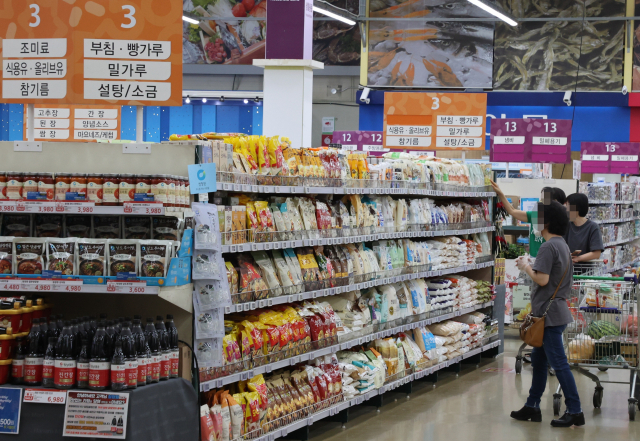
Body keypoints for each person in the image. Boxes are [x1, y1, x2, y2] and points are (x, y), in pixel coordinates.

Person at [510, 201, 584, 428]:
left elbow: (542, 279)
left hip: (548, 316)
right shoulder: (562, 245)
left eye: (539, 218)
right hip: (555, 312)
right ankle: (532, 405)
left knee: (559, 363)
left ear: (548, 222)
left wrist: (525, 266)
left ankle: (575, 410)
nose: (535, 222)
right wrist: (531, 264)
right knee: (540, 361)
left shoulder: (547, 247)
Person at [490, 180, 566, 257]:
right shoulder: (535, 215)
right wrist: (500, 193)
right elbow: (512, 211)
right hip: (533, 258)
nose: (540, 202)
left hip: (546, 258)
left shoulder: (557, 223)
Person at [564, 193, 604, 264]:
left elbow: (596, 253)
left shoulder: (592, 227)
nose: (566, 210)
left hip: (584, 269)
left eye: (567, 206)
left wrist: (577, 259)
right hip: (567, 268)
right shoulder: (566, 226)